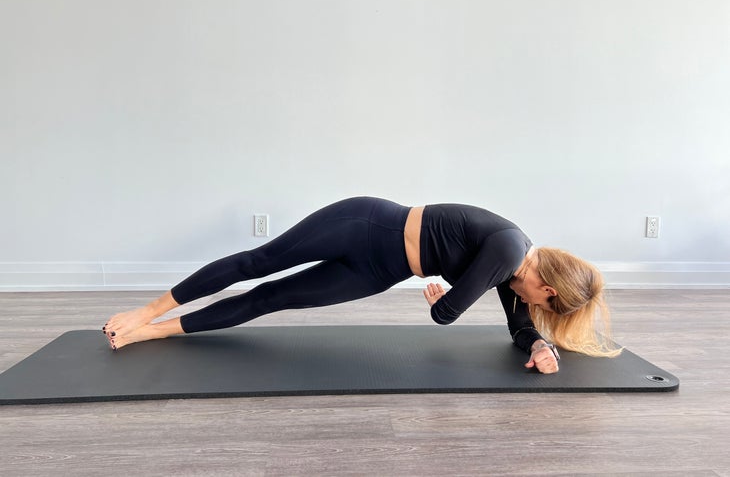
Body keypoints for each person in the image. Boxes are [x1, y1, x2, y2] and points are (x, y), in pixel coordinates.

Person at [103, 196, 620, 374]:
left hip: (380, 270)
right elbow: (444, 315)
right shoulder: (509, 250)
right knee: (258, 263)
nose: (532, 307)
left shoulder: (514, 274)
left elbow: (516, 325)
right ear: (548, 288)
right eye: (545, 308)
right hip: (367, 224)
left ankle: (156, 332)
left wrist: (538, 345)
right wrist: (451, 299)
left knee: (273, 297)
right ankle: (148, 311)